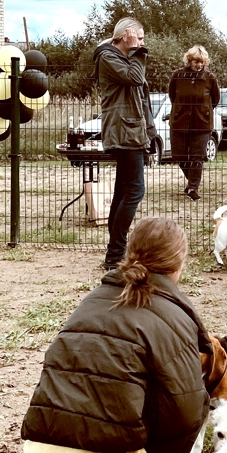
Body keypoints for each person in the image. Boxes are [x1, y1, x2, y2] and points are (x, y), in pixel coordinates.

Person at [21, 217, 212, 453]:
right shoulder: (173, 315)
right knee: (195, 405)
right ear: (179, 263)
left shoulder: (92, 300)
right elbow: (185, 413)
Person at [93, 17, 156, 270]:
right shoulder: (108, 57)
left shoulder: (120, 58)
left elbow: (141, 96)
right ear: (124, 36)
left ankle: (116, 253)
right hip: (123, 132)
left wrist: (149, 131)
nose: (142, 43)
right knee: (135, 191)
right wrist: (137, 52)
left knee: (123, 192)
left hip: (131, 131)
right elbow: (135, 78)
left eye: (142, 39)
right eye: (138, 38)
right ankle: (115, 254)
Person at [168, 45, 220, 201]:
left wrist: (204, 111)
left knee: (197, 157)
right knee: (179, 154)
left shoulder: (209, 78)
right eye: (196, 62)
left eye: (202, 62)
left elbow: (215, 99)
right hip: (179, 121)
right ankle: (192, 180)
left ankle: (192, 188)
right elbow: (172, 96)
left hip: (202, 123)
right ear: (189, 61)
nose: (199, 65)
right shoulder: (178, 76)